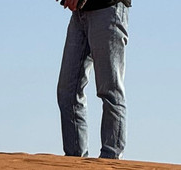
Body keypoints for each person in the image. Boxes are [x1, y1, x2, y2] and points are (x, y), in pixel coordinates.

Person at [56, 0, 131, 160]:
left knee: (110, 91)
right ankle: (75, 162)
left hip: (109, 9)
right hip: (79, 15)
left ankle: (111, 161)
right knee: (67, 91)